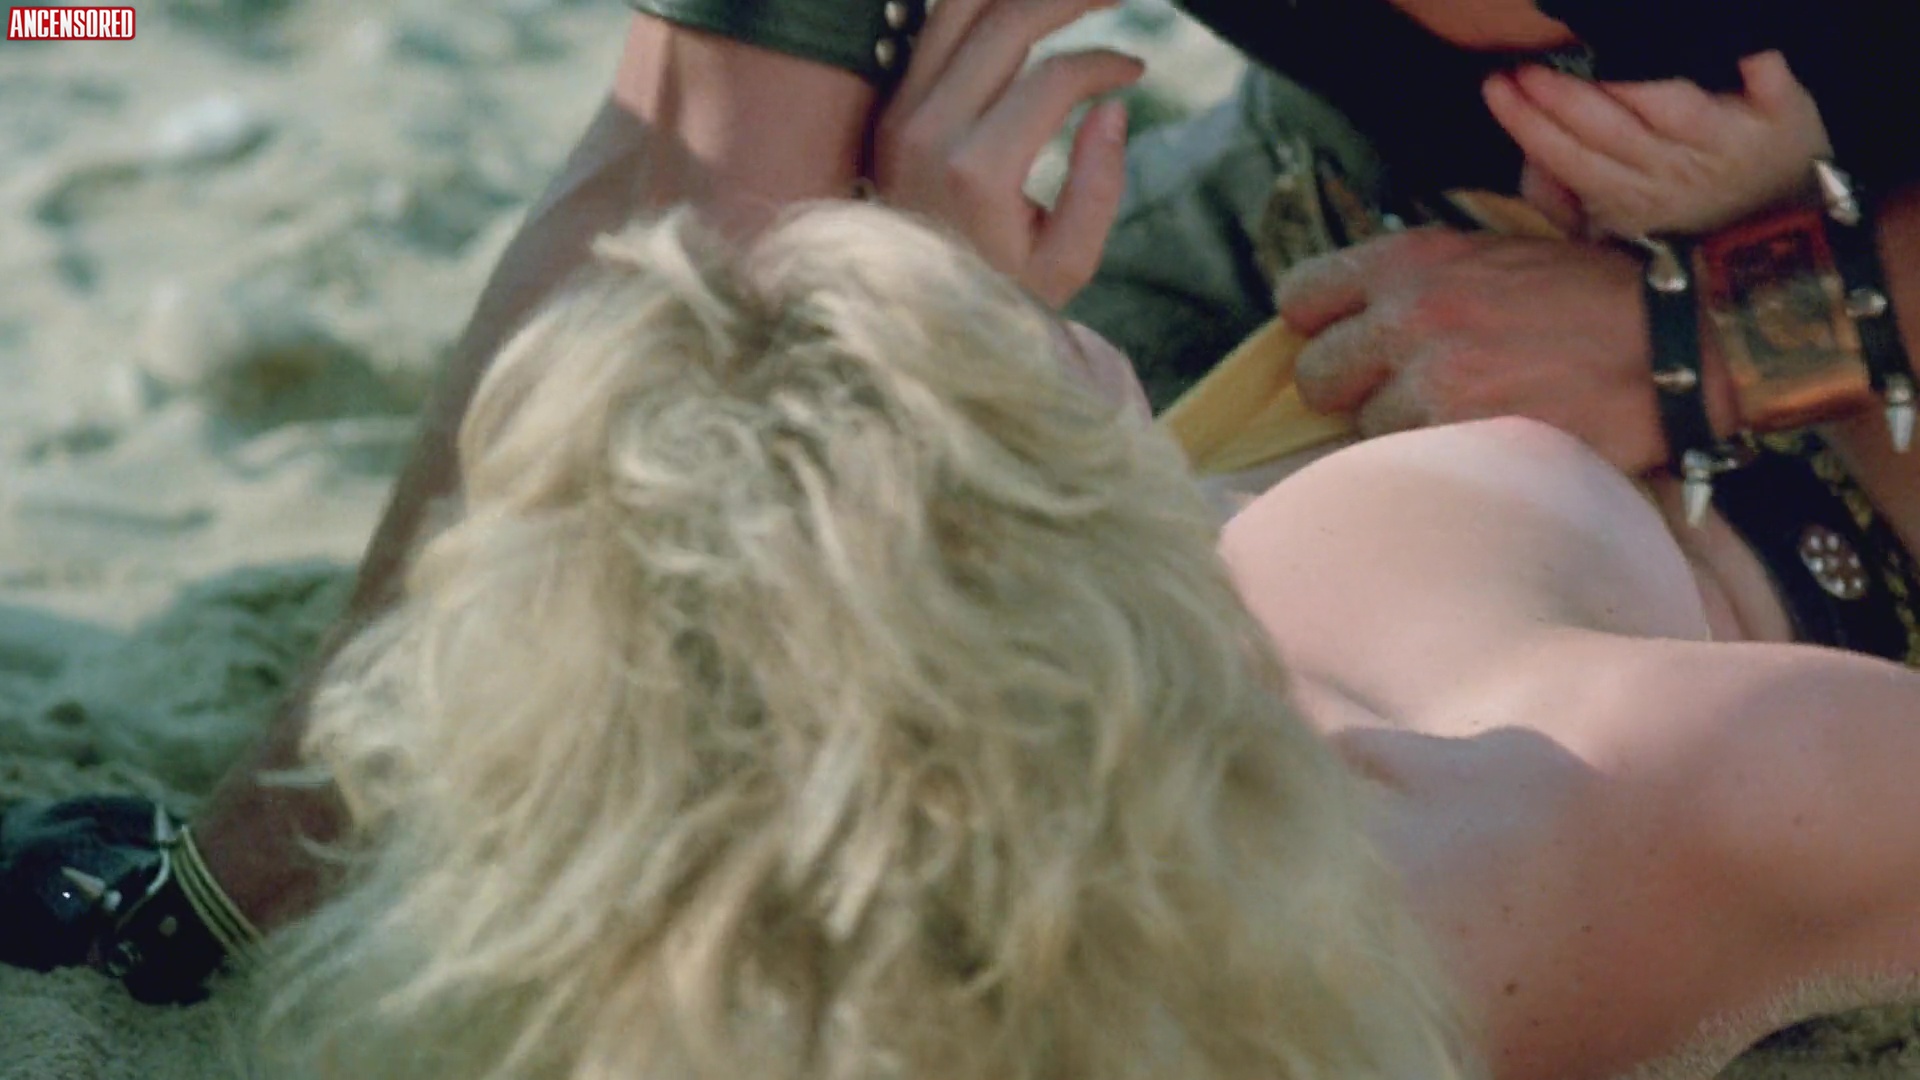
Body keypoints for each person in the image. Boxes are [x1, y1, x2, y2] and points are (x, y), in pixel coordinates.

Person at [224, 5, 1920, 1077]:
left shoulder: (843, 936)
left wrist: (231, 896)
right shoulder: (1595, 799)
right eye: (982, 361)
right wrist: (1785, 267)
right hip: (1807, 478)